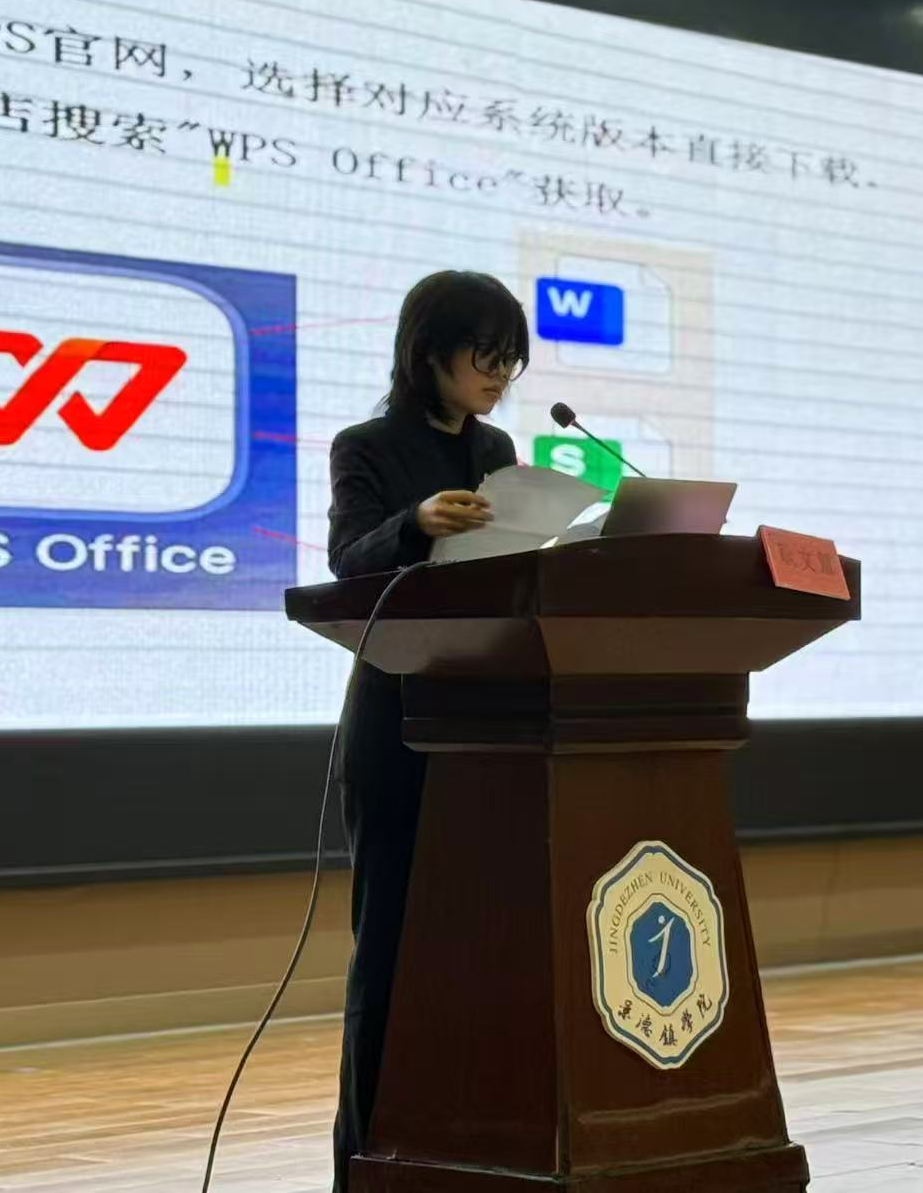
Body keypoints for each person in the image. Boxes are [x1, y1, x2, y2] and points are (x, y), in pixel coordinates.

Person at [325, 270, 528, 1191]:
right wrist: (413, 523)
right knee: (392, 946)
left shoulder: (498, 449)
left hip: (488, 720)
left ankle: (473, 1149)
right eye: (486, 355)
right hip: (398, 717)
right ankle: (366, 1164)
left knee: (480, 946)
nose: (501, 375)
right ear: (429, 352)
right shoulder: (365, 447)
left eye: (511, 359)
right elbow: (347, 563)